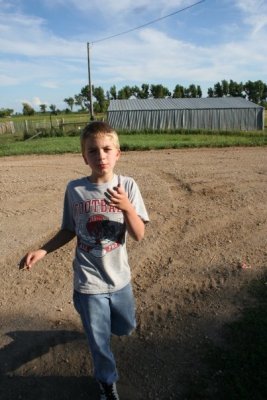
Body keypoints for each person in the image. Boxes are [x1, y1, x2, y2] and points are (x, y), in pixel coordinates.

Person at [20, 121, 149, 400]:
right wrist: (43, 250)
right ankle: (106, 382)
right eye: (93, 151)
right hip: (88, 281)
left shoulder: (127, 185)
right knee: (99, 342)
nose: (100, 156)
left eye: (106, 149)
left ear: (118, 153)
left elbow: (138, 234)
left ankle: (100, 324)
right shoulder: (75, 189)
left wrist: (126, 207)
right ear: (84, 157)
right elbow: (69, 229)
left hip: (120, 279)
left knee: (126, 327)